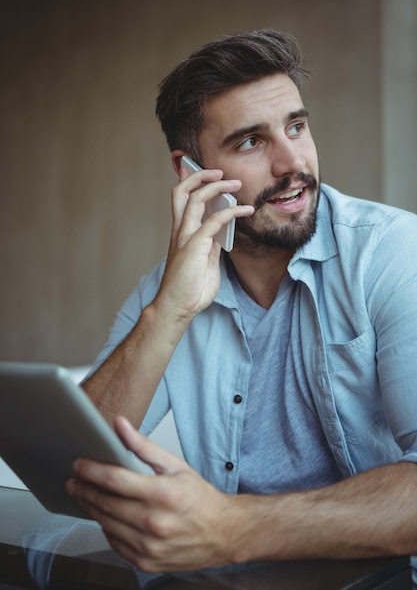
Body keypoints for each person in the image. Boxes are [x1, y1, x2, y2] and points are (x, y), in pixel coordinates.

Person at [66, 29, 417, 575]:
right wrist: (168, 314)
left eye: (296, 127)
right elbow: (74, 465)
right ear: (191, 172)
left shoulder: (391, 252)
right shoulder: (168, 290)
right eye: (251, 142)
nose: (291, 163)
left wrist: (232, 526)